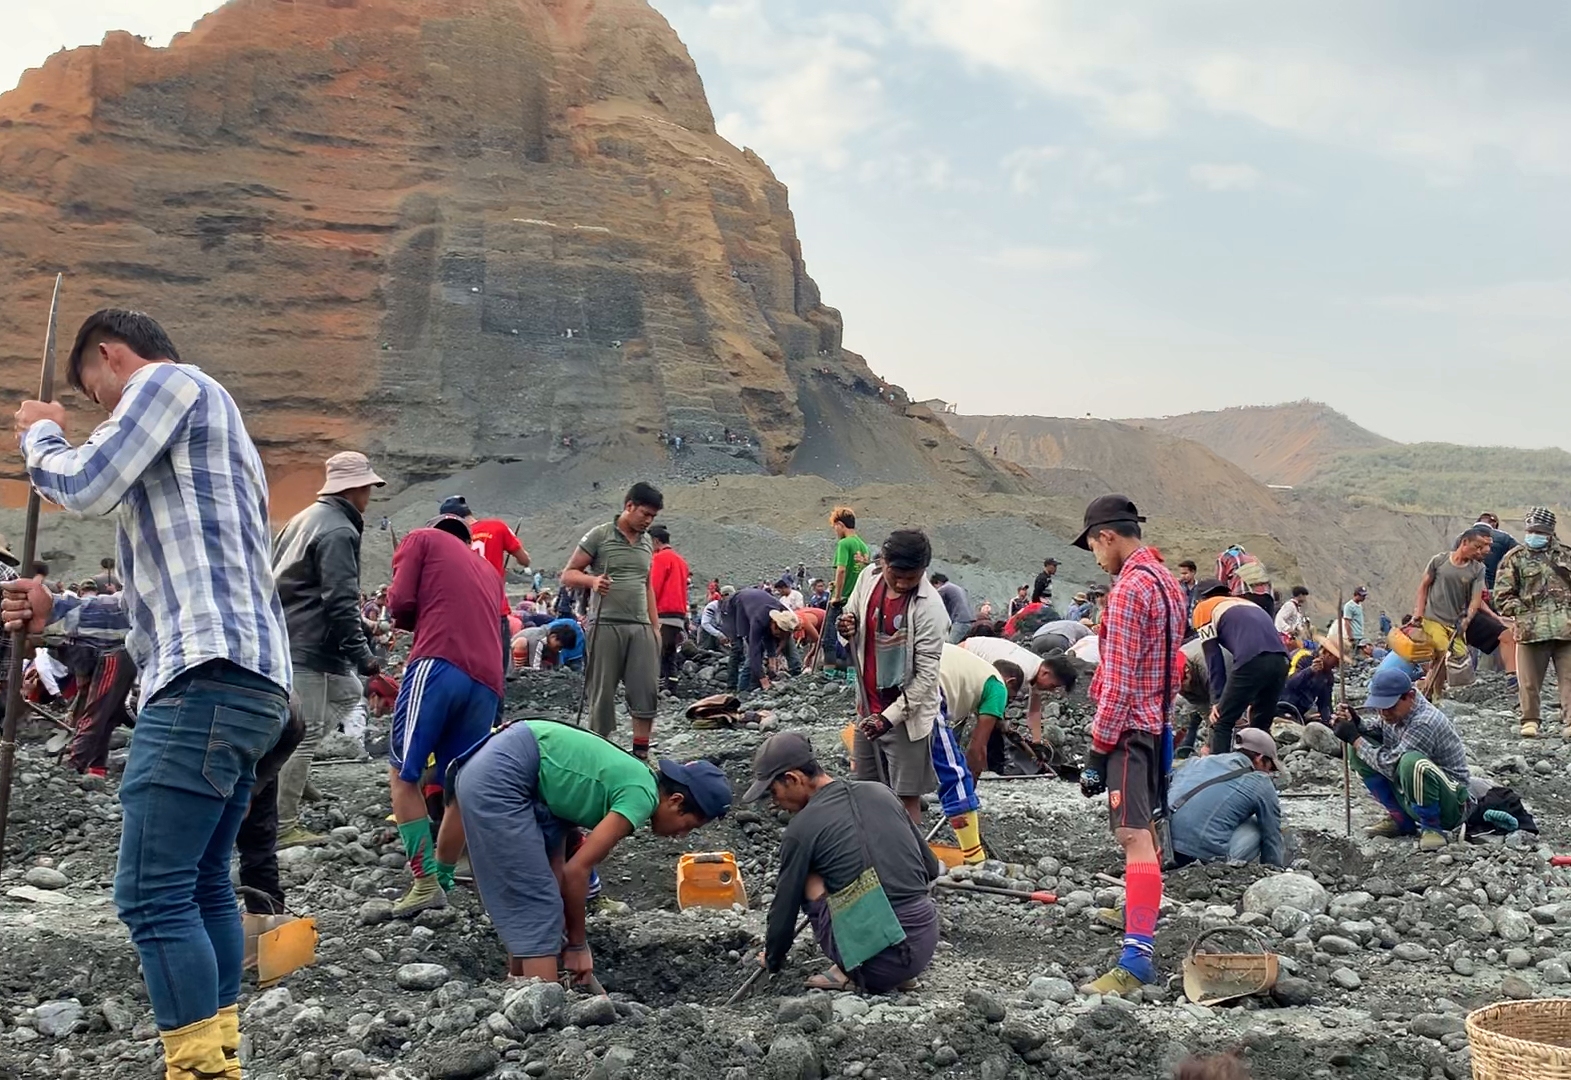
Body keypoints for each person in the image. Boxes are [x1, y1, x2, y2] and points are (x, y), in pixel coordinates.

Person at [4, 309, 292, 1079]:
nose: (101, 410)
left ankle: (197, 1069)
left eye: (93, 392)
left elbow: (84, 483)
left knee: (148, 893)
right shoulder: (195, 450)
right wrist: (56, 609)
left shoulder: (167, 383)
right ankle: (219, 1054)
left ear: (109, 355)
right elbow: (143, 607)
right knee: (198, 884)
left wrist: (43, 431)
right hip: (243, 684)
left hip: (205, 681)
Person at [448, 719, 729, 983]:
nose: (681, 836)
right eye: (688, 826)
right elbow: (577, 870)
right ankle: (542, 1024)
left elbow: (558, 862)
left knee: (542, 897)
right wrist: (578, 946)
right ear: (676, 801)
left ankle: (518, 989)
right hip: (501, 777)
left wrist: (565, 923)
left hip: (504, 770)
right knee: (538, 904)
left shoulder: (619, 781)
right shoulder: (641, 796)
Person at [1070, 495, 1185, 995]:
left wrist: (1098, 750)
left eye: (1094, 545)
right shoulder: (1169, 583)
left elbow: (1116, 682)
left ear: (1108, 536)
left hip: (1129, 730)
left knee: (1133, 835)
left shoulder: (1129, 590)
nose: (1096, 557)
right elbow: (1173, 669)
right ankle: (1137, 905)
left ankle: (1136, 956)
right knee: (1147, 830)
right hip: (1157, 725)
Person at [746, 732, 940, 993]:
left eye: (773, 792)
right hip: (924, 943)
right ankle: (899, 973)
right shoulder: (881, 792)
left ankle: (850, 971)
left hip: (874, 966)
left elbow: (785, 907)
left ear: (793, 779)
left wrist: (773, 959)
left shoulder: (801, 828)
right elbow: (930, 868)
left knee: (808, 875)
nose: (774, 803)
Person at [385, 514, 504, 917]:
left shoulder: (421, 537)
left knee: (405, 773)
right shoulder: (488, 570)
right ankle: (447, 876)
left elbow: (400, 603)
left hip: (438, 662)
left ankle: (423, 882)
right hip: (487, 681)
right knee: (460, 786)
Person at [270, 451, 384, 848]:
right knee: (308, 730)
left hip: (288, 634)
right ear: (355, 489)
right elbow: (339, 599)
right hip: (311, 644)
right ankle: (283, 824)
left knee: (348, 694)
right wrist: (361, 652)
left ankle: (294, 781)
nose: (370, 495)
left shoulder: (299, 521)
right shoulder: (339, 530)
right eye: (368, 487)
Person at [839, 529, 947, 823]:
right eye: (895, 574)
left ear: (923, 571)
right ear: (883, 561)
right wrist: (846, 626)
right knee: (865, 789)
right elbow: (851, 616)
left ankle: (907, 860)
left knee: (905, 795)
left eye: (910, 578)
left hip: (904, 715)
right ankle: (873, 853)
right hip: (867, 705)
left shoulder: (931, 609)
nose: (901, 583)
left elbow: (926, 678)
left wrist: (888, 718)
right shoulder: (868, 579)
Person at [562, 483, 663, 758]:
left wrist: (655, 629)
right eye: (645, 513)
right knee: (602, 692)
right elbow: (568, 574)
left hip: (640, 626)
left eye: (653, 516)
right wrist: (593, 580)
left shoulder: (646, 542)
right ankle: (599, 752)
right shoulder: (600, 535)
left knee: (645, 691)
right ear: (629, 506)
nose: (648, 520)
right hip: (605, 623)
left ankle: (641, 754)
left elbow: (647, 585)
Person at [1319, 667, 1471, 851]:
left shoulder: (1424, 722)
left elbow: (1392, 765)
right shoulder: (1395, 713)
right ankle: (1401, 819)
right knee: (1358, 751)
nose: (1384, 714)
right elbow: (1378, 731)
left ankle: (1432, 828)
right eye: (1380, 708)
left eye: (1389, 707)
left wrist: (1355, 739)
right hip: (1414, 792)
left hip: (1449, 802)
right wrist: (1356, 723)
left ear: (1410, 696)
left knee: (1411, 763)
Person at [1493, 507, 1571, 739]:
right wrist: (1525, 611)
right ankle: (1530, 721)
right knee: (1528, 681)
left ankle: (1569, 722)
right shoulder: (1514, 559)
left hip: (1566, 629)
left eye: (1538, 531)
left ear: (1549, 532)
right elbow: (1502, 596)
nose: (1533, 534)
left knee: (1569, 678)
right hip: (1530, 630)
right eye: (1530, 530)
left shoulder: (1566, 556)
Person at [1189, 579, 1291, 755]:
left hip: (1252, 659)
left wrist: (1217, 700)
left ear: (1200, 599)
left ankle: (1219, 772)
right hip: (1282, 660)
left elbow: (1213, 656)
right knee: (1260, 724)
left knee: (1222, 721)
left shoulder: (1203, 608)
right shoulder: (1247, 603)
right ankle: (1262, 772)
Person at [933, 643, 1012, 863]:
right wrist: (969, 790)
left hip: (892, 677)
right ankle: (974, 859)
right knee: (954, 774)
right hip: (928, 687)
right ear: (1011, 683)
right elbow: (977, 749)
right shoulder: (998, 687)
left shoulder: (974, 671)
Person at [1167, 728, 1286, 867]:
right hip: (1200, 859)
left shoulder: (1196, 762)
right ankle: (1219, 867)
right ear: (1259, 758)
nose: (1269, 773)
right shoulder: (1260, 781)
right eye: (1270, 768)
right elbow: (1272, 835)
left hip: (1164, 847)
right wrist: (1274, 871)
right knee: (1258, 826)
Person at [1414, 525, 1516, 685]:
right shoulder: (1439, 561)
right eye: (1479, 547)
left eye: (1487, 546)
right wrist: (1418, 614)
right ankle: (1433, 691)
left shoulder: (1478, 569)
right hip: (1435, 619)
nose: (1484, 551)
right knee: (1441, 654)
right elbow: (1423, 587)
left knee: (1501, 638)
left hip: (1460, 620)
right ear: (1465, 542)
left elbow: (1476, 599)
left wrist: (1476, 619)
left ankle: (1513, 680)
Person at [442, 497, 530, 677]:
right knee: (498, 671)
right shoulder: (497, 527)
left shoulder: (451, 538)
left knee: (469, 670)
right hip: (495, 609)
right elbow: (524, 560)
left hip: (466, 613)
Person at [959, 634, 1076, 742]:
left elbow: (1034, 712)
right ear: (1046, 673)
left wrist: (1037, 742)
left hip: (971, 654)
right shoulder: (1021, 671)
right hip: (964, 656)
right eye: (1053, 686)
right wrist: (998, 720)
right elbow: (990, 696)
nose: (1051, 690)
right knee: (958, 715)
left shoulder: (1038, 668)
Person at [723, 585, 798, 692]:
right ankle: (737, 689)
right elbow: (755, 651)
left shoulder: (785, 615)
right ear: (774, 623)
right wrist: (764, 681)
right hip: (736, 605)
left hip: (755, 603)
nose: (778, 636)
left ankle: (758, 679)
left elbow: (772, 636)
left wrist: (772, 660)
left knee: (767, 639)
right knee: (740, 648)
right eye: (778, 633)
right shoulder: (758, 621)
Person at [649, 524, 691, 690]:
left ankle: (654, 689)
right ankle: (671, 687)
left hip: (662, 613)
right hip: (678, 614)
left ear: (656, 541)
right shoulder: (681, 561)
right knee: (669, 652)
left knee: (656, 652)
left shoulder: (659, 558)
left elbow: (653, 587)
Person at [1278, 636, 1340, 726]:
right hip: (1281, 706)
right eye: (1337, 660)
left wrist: (1329, 721)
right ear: (1328, 654)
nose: (1337, 664)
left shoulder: (1328, 676)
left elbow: (1324, 703)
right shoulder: (1303, 657)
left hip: (1299, 712)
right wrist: (1309, 671)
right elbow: (1289, 684)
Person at [1216, 544, 1274, 616]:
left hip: (1243, 595)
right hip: (1267, 597)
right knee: (1265, 625)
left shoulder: (1224, 556)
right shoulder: (1254, 558)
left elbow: (1220, 583)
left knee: (1242, 624)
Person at [513, 618, 584, 671]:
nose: (558, 650)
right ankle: (517, 671)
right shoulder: (540, 639)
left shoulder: (551, 641)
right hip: (513, 656)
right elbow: (535, 667)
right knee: (522, 642)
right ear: (553, 637)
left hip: (531, 656)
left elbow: (557, 665)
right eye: (558, 647)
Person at [1474, 512, 1520, 595]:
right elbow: (1520, 555)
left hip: (1469, 588)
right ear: (1494, 524)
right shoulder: (1505, 538)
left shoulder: (1463, 536)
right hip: (1494, 588)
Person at [929, 572, 975, 643]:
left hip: (960, 621)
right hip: (970, 620)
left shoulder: (943, 589)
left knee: (949, 645)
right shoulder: (957, 588)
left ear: (937, 583)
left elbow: (934, 605)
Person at [698, 585, 733, 650]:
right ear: (723, 596)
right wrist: (719, 635)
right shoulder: (712, 606)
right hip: (708, 633)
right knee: (705, 652)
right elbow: (705, 623)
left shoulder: (731, 608)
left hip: (722, 633)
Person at [1340, 585, 1370, 654]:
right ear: (1356, 595)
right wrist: (1350, 637)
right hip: (1354, 636)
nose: (1364, 598)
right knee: (1353, 655)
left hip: (1360, 635)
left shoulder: (1359, 605)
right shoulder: (1349, 606)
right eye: (1362, 596)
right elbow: (1347, 622)